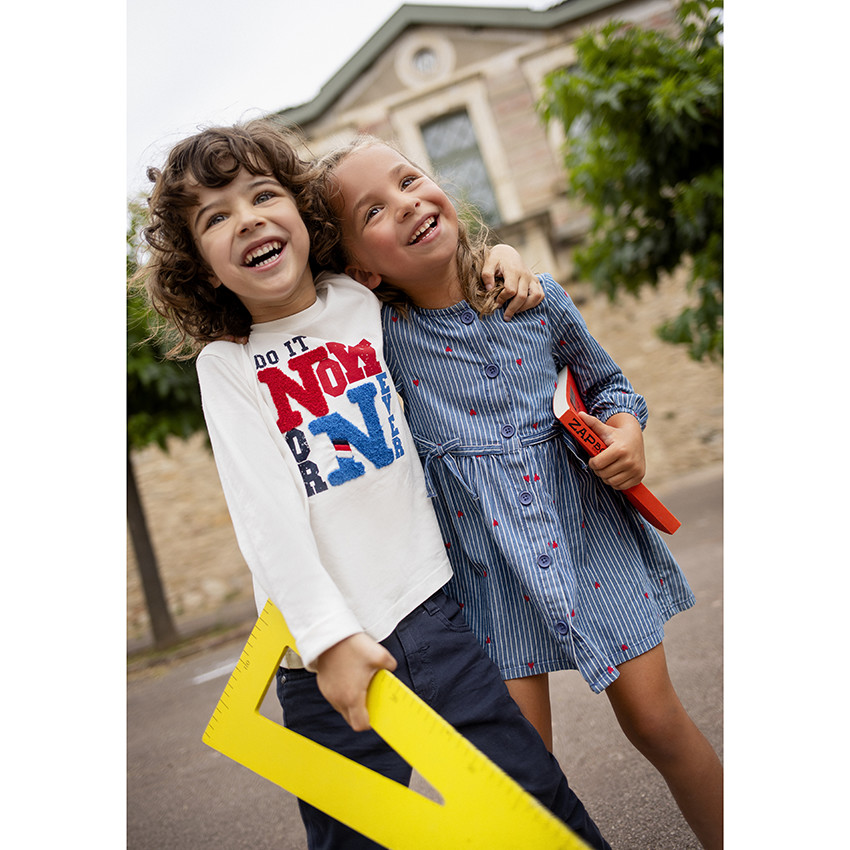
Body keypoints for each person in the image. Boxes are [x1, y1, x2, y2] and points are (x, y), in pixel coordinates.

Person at [135, 119, 611, 850]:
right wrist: (330, 642)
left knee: (535, 805)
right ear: (202, 267)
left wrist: (503, 257)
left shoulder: (361, 303)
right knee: (357, 838)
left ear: (301, 212)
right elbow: (269, 521)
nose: (248, 219)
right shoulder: (228, 368)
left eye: (263, 195)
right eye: (216, 217)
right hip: (321, 652)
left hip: (433, 612)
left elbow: (442, 287)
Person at [311, 136, 724, 849]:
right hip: (483, 571)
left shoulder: (534, 298)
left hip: (589, 536)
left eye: (409, 179)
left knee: (659, 724)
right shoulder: (378, 340)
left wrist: (628, 436)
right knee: (518, 779)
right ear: (360, 270)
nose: (407, 202)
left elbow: (611, 387)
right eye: (375, 209)